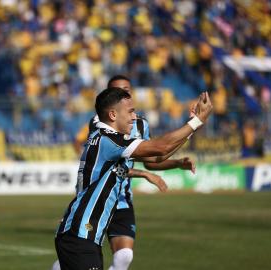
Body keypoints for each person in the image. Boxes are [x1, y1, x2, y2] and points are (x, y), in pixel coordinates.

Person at [54, 88, 212, 269]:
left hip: (80, 235)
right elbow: (161, 147)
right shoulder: (110, 140)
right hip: (80, 235)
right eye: (130, 111)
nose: (134, 117)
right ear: (113, 114)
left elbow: (156, 156)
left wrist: (192, 125)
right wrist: (198, 121)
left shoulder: (106, 139)